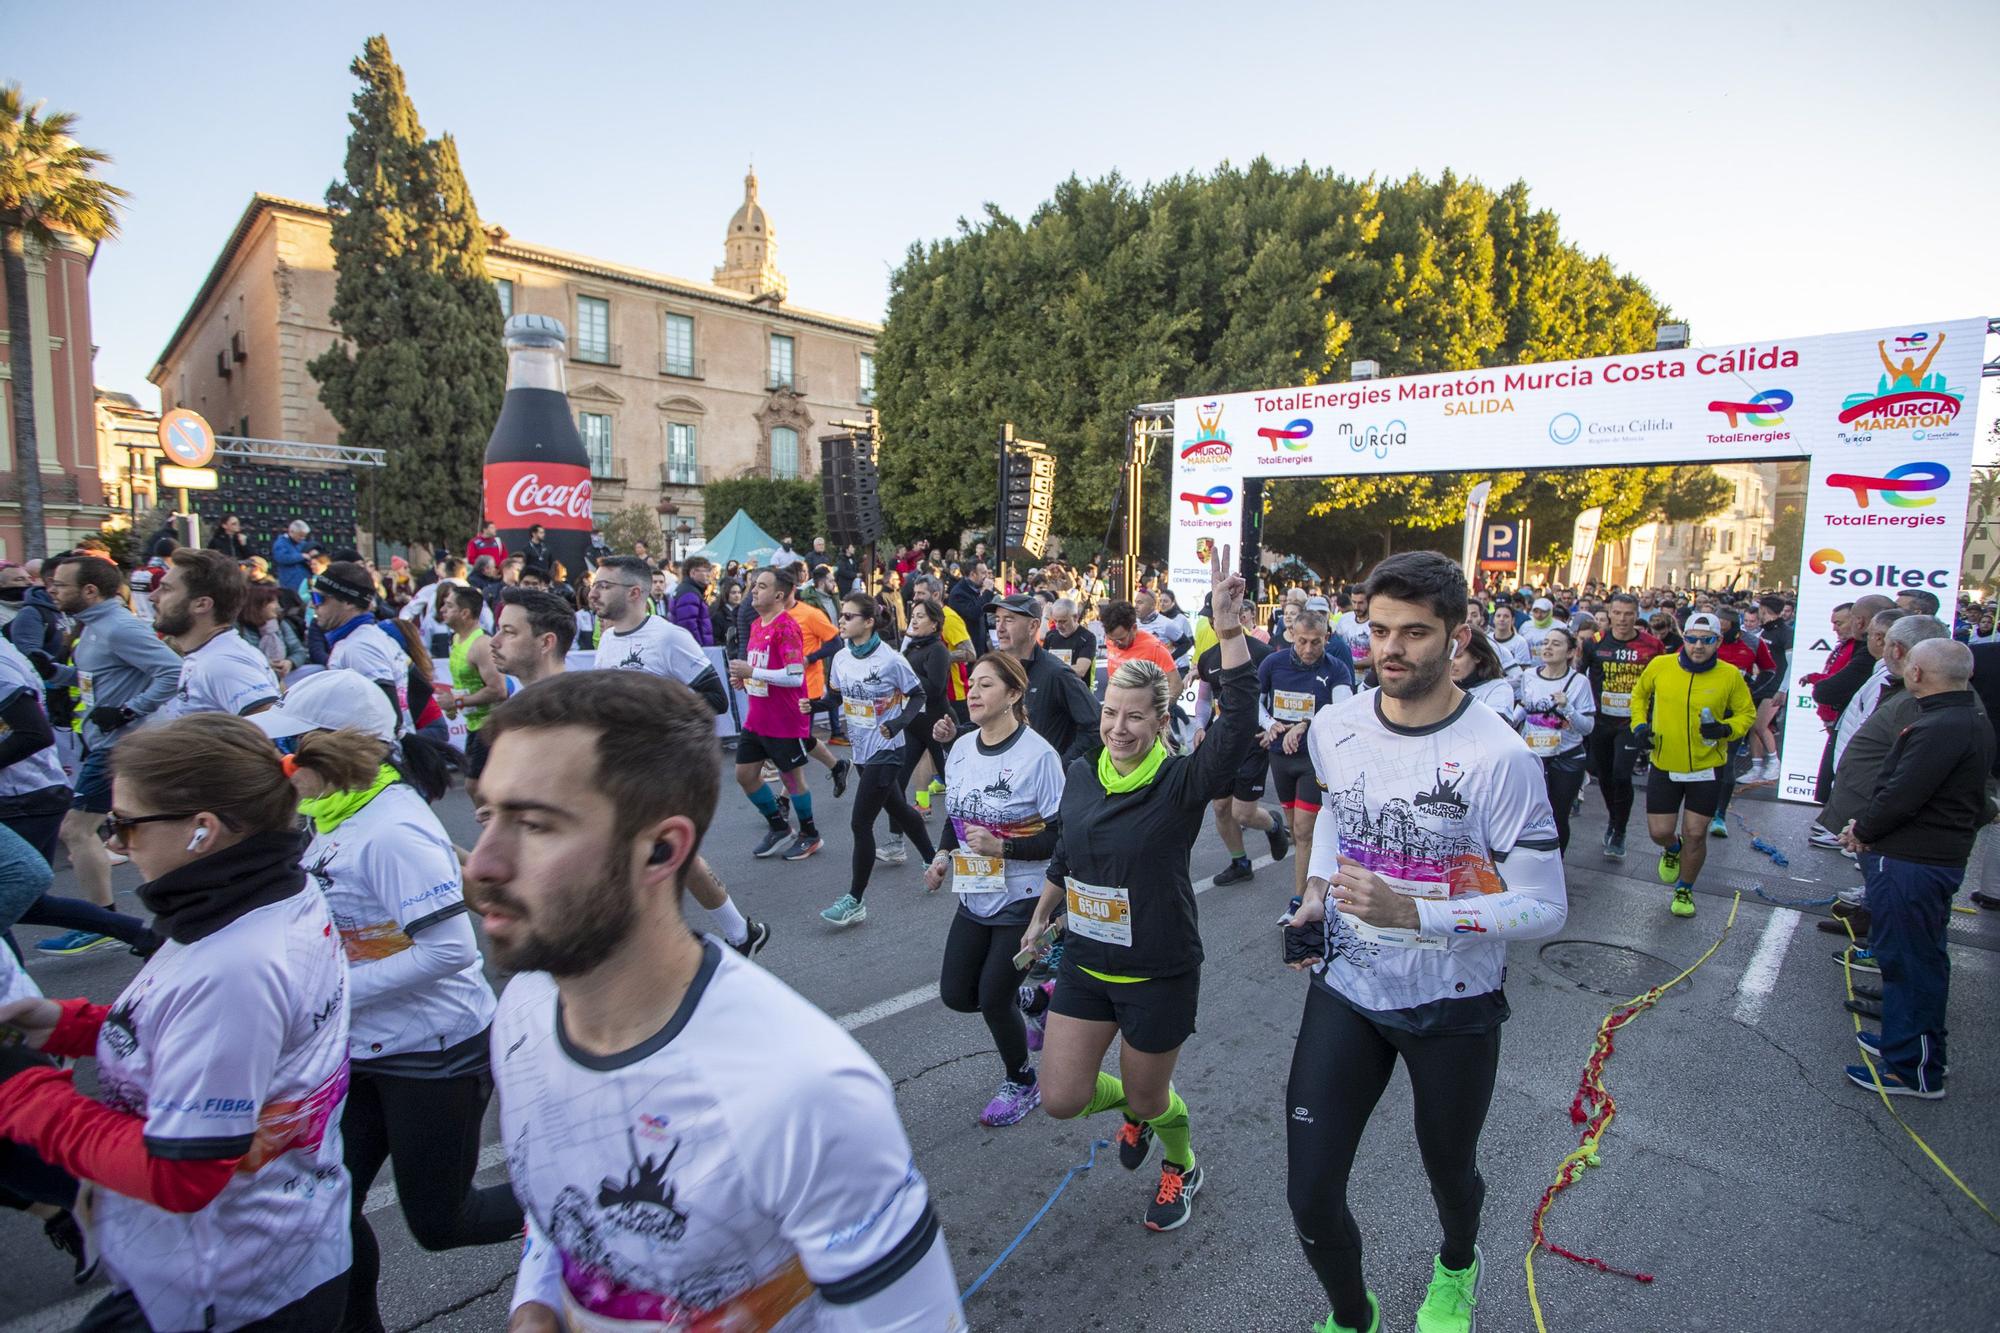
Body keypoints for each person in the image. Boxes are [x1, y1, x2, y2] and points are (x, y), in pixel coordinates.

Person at [465, 671, 965, 1329]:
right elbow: (563, 1201)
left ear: (661, 850)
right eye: (485, 815)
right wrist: (534, 1298)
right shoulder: (523, 1010)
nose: (481, 863)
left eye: (534, 823)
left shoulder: (805, 1090)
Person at [1284, 550, 1568, 1333]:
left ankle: (1457, 1261)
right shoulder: (1338, 725)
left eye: (1414, 632)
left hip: (1452, 1003)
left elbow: (1546, 907)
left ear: (1459, 635)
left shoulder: (1498, 756)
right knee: (1309, 1191)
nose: (1391, 649)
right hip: (1349, 988)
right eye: (1378, 630)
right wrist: (1315, 890)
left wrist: (1419, 915)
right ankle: (1353, 1314)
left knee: (1450, 1172)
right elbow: (1342, 812)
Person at [0, 714, 354, 1331]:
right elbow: (218, 1040)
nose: (114, 844)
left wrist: (23, 1094)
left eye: (126, 826)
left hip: (228, 1283)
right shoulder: (257, 895)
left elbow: (182, 1173)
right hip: (255, 1251)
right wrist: (70, 1023)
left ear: (201, 831)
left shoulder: (235, 962)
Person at [248, 671, 521, 1332]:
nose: (281, 764)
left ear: (340, 749)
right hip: (360, 1048)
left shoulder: (391, 830)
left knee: (442, 1222)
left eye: (291, 748)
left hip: (434, 1049)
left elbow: (451, 952)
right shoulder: (326, 814)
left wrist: (329, 992)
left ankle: (577, 1197)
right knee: (325, 1211)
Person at [1022, 543, 1255, 1232]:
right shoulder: (1086, 770)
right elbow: (1068, 849)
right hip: (1088, 963)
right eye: (1109, 713)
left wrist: (1229, 631)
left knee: (1155, 1101)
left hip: (1157, 969)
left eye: (1133, 716)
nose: (1118, 727)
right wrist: (1042, 915)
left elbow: (1238, 724)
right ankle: (1134, 1110)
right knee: (1061, 1096)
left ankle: (1180, 1161)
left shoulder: (1179, 782)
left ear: (1160, 720)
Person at [1837, 639, 1990, 1098]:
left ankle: (1915, 1070)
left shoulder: (1942, 725)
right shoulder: (1961, 717)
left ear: (1918, 672)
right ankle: (1906, 1045)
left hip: (1915, 862)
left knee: (1912, 965)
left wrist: (1863, 828)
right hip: (1920, 858)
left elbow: (1904, 793)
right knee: (1910, 961)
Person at [924, 652, 1066, 1126]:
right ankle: (1037, 1000)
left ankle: (1022, 1082)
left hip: (1024, 897)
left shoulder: (1039, 757)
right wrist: (944, 856)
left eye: (986, 685)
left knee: (990, 997)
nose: (974, 692)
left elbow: (1062, 837)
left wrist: (1004, 849)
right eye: (972, 684)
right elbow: (958, 814)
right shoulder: (963, 747)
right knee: (956, 995)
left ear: (1013, 694)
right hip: (973, 891)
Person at [41, 556, 182, 956]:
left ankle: (101, 920)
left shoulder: (118, 626)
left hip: (125, 746)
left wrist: (128, 710)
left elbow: (172, 670)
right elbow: (97, 680)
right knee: (139, 829)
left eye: (61, 585)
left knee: (77, 830)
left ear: (90, 591)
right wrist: (54, 672)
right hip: (109, 743)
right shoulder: (93, 627)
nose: (53, 590)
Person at [1817, 616, 1957, 942]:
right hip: (1870, 805)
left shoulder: (1920, 702)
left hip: (1885, 818)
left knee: (1903, 923)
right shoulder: (1899, 684)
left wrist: (1868, 825)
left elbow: (1911, 778)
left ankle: (1882, 951)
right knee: (1882, 888)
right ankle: (1874, 924)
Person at [818, 595, 938, 926]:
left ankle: (855, 900)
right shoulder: (841, 658)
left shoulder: (890, 660)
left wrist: (898, 723)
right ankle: (933, 858)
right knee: (898, 808)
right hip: (860, 750)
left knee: (860, 823)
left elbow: (919, 695)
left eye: (848, 616)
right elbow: (836, 696)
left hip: (889, 750)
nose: (841, 621)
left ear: (868, 621)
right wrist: (814, 706)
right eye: (840, 615)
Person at [1629, 611, 1754, 918]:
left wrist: (1726, 729)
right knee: (1660, 832)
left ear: (1718, 641)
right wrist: (1639, 726)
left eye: (1707, 640)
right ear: (1683, 638)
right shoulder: (1661, 665)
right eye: (1692, 639)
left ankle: (1685, 889)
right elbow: (1639, 695)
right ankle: (1673, 849)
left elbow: (1746, 714)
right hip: (1665, 763)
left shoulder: (1729, 675)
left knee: (1696, 834)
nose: (1699, 646)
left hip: (1706, 767)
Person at [1258, 607, 1357, 906]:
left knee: (1304, 832)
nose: (1308, 649)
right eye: (1302, 641)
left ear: (1327, 638)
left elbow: (1342, 711)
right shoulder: (1273, 663)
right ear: (1292, 636)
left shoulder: (1337, 668)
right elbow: (1255, 702)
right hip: (1281, 757)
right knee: (1297, 831)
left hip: (1314, 761)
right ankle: (1319, 881)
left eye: (1316, 642)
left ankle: (1300, 899)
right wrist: (1269, 724)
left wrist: (1305, 725)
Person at [729, 567, 825, 860]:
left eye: (760, 586)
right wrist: (746, 680)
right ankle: (779, 827)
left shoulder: (786, 627)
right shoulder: (759, 624)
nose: (753, 591)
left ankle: (810, 834)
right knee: (745, 775)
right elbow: (766, 672)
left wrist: (752, 671)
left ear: (779, 595)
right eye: (753, 586)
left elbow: (796, 676)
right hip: (757, 718)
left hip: (784, 720)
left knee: (791, 780)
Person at [1194, 595, 1289, 885]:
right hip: (1223, 738)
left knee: (1243, 813)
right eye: (1211, 618)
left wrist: (1272, 727)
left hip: (1253, 740)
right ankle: (1240, 862)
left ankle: (1273, 825)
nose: (1215, 623)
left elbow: (1275, 698)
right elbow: (1205, 698)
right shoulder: (1209, 657)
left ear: (1241, 616)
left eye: (1221, 616)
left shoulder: (1262, 652)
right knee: (1221, 807)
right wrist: (1200, 726)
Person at [150, 547, 281, 722]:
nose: (153, 596)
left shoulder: (222, 663)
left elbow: (271, 727)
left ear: (202, 604)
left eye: (166, 589)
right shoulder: (209, 654)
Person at [1579, 592, 1664, 861]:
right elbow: (1580, 674)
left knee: (1620, 775)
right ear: (1610, 613)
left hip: (1632, 722)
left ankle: (1620, 830)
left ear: (1637, 615)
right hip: (1601, 720)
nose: (1623, 619)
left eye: (1629, 614)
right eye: (1617, 613)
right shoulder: (1595, 642)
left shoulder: (1651, 646)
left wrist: (1652, 720)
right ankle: (1614, 820)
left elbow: (1661, 683)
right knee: (1603, 776)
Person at [1518, 625, 1596, 854]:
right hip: (1533, 756)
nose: (1548, 647)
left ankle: (1556, 864)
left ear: (1570, 652)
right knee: (1530, 814)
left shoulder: (1579, 682)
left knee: (1557, 815)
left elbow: (1587, 727)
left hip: (1566, 758)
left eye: (1556, 643)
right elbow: (1525, 709)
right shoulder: (1529, 676)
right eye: (1545, 643)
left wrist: (1567, 708)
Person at [313, 561, 417, 731]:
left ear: (348, 602)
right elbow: (422, 690)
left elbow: (389, 719)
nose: (313, 605)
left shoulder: (359, 647)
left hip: (379, 754)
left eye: (319, 598)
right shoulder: (372, 635)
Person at [436, 585, 507, 798]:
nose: (442, 610)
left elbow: (498, 690)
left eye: (449, 606)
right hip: (473, 724)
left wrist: (457, 702)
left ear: (465, 613)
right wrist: (454, 704)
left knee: (475, 785)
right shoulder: (457, 639)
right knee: (480, 786)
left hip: (490, 724)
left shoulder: (482, 645)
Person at [1744, 594, 1793, 783]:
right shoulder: (1765, 632)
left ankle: (1774, 763)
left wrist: (1784, 689)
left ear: (1764, 610)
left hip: (1776, 686)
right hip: (1761, 684)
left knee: (1761, 725)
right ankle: (1756, 767)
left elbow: (1791, 663)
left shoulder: (1785, 632)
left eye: (1760, 610)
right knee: (1752, 726)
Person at [1451, 629, 1520, 726]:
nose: (1451, 663)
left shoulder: (1498, 688)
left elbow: (1493, 728)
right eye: (1448, 656)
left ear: (1477, 657)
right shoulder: (1439, 689)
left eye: (1458, 656)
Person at [239, 583, 308, 676]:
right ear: (257, 605)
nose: (278, 606)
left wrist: (290, 662)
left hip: (284, 673)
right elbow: (242, 658)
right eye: (273, 602)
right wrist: (266, 663)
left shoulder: (281, 624)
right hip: (256, 674)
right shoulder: (241, 628)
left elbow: (299, 651)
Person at [1045, 598, 1097, 688]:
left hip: (1076, 691)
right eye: (1055, 621)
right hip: (1053, 690)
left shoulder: (1087, 637)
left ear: (1075, 617)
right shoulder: (1051, 635)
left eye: (1063, 621)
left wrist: (1051, 669)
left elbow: (1081, 670)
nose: (1058, 626)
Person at [669, 555, 717, 645]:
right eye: (705, 571)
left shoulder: (688, 590)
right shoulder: (689, 594)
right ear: (693, 573)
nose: (709, 575)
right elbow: (688, 626)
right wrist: (699, 650)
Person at [272, 519, 315, 592]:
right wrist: (301, 556)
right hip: (290, 582)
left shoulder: (303, 543)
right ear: (291, 532)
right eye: (300, 536)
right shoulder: (281, 543)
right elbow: (281, 558)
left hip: (306, 580)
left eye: (304, 536)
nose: (302, 538)